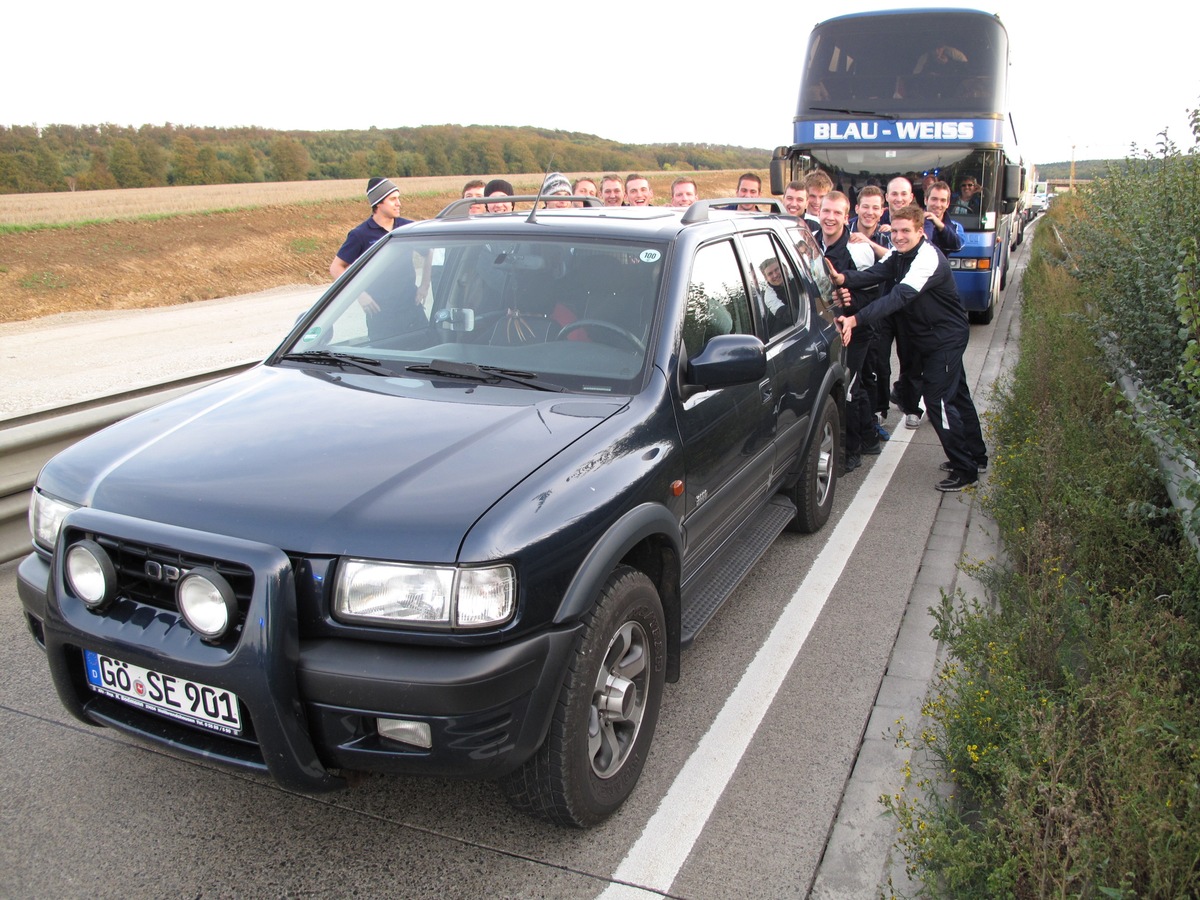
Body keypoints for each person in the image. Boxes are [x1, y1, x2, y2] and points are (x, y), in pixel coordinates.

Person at [830, 203, 988, 491]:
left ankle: (965, 469)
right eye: (896, 231)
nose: (899, 237)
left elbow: (899, 296)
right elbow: (877, 273)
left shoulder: (928, 258)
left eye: (906, 231)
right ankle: (976, 455)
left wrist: (856, 318)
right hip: (928, 338)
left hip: (945, 338)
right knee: (959, 395)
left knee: (939, 400)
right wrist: (844, 279)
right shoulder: (899, 253)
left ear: (920, 232)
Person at [813, 191, 881, 472]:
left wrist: (849, 302)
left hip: (857, 331)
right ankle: (869, 437)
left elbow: (872, 296)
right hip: (827, 328)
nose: (830, 218)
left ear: (846, 216)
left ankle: (852, 452)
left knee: (850, 390)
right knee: (851, 387)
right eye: (826, 211)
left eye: (837, 213)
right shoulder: (810, 242)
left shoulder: (858, 248)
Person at [329, 177, 412, 279]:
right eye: (392, 199)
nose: (398, 203)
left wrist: (424, 285)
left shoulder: (408, 228)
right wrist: (360, 293)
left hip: (409, 294)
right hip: (377, 295)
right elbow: (336, 267)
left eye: (398, 198)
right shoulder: (360, 234)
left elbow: (429, 253)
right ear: (378, 203)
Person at [923, 179, 965, 253]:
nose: (938, 204)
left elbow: (958, 246)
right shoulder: (912, 223)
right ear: (926, 200)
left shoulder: (956, 227)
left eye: (942, 200)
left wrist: (941, 226)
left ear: (948, 204)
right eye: (934, 199)